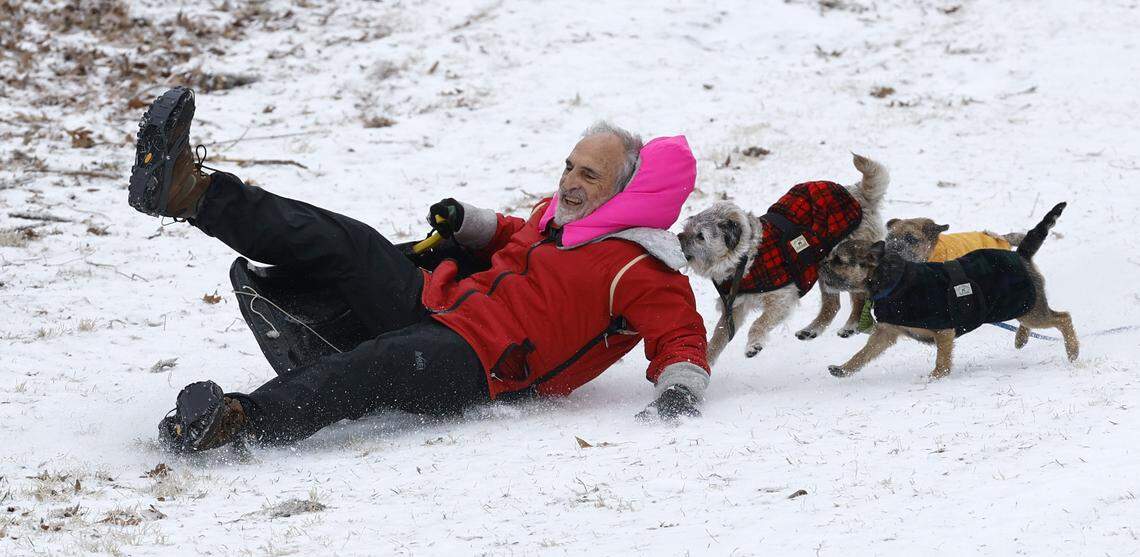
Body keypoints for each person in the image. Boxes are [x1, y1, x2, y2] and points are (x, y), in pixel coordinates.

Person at [129, 87, 710, 453]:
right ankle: (190, 192)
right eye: (569, 167)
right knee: (348, 241)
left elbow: (679, 333)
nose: (569, 183)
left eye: (589, 175)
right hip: (445, 303)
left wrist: (678, 390)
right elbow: (515, 235)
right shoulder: (557, 218)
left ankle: (236, 423)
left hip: (486, 366)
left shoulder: (640, 266)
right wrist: (472, 223)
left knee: (376, 366)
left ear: (626, 189)